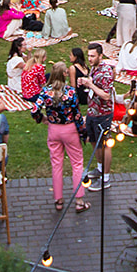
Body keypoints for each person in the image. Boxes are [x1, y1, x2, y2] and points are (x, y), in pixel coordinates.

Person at [32, 64, 88, 212]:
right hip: (69, 129)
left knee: (56, 164)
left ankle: (58, 199)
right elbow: (77, 114)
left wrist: (41, 118)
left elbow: (34, 110)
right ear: (64, 74)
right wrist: (83, 132)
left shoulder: (46, 91)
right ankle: (79, 200)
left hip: (54, 130)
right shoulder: (70, 92)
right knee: (77, 163)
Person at [77, 42, 116, 188]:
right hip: (93, 111)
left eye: (93, 56)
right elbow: (94, 85)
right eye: (89, 56)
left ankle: (105, 179)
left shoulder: (106, 72)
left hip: (103, 114)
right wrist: (86, 81)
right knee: (94, 141)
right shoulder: (94, 68)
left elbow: (106, 95)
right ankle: (100, 168)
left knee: (104, 145)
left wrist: (90, 85)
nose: (90, 59)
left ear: (100, 55)